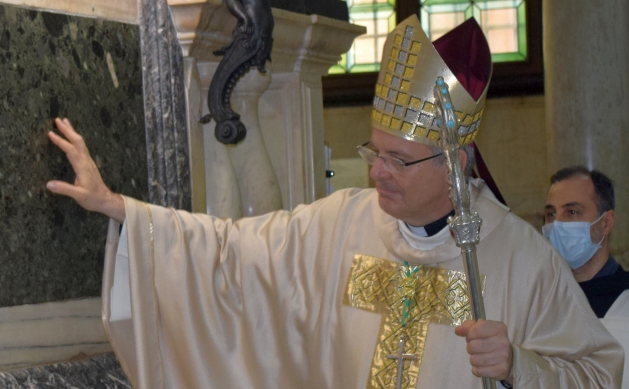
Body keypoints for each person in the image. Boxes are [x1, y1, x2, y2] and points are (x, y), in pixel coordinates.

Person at [46, 16, 623, 389]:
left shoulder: (523, 260)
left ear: (455, 162)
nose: (377, 171)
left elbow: (598, 374)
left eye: (399, 160)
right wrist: (119, 206)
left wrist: (522, 367)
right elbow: (226, 252)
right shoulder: (339, 225)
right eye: (375, 150)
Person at [544, 165, 629, 388]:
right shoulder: (542, 301)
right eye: (551, 214)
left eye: (572, 212)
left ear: (606, 222)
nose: (557, 224)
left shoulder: (624, 299)